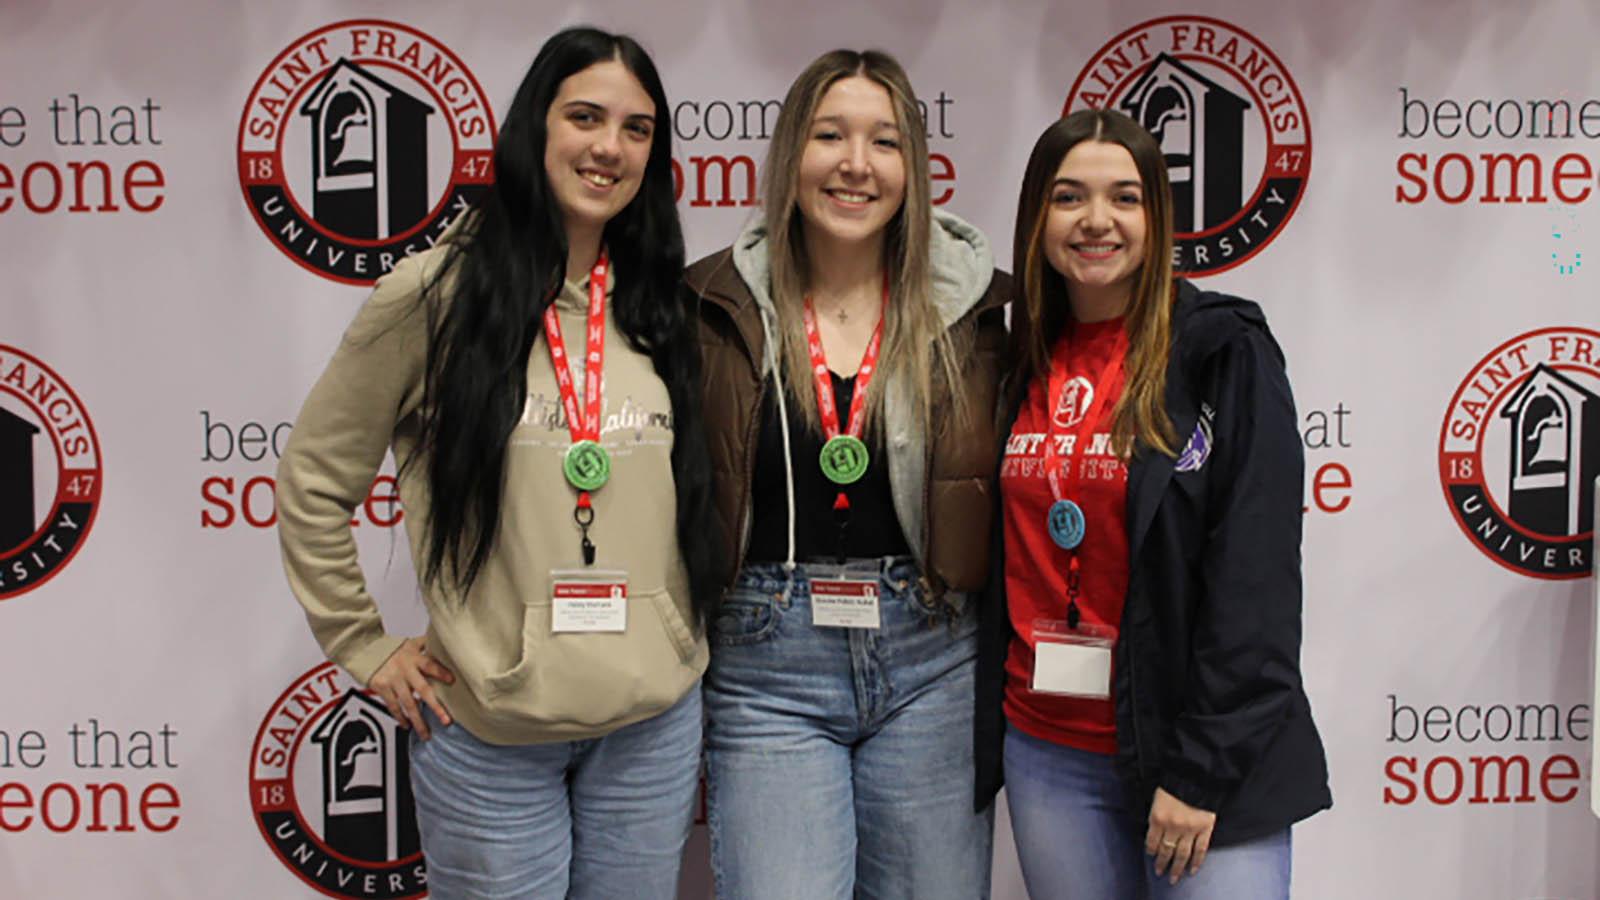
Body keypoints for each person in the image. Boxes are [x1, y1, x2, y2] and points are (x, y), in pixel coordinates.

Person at [275, 26, 717, 900]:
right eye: (585, 117)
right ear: (533, 130)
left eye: (637, 129)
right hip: (488, 731)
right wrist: (363, 644)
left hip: (651, 728)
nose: (609, 147)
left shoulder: (666, 307)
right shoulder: (432, 297)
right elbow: (315, 482)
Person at [975, 108, 1331, 899]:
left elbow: (1256, 580)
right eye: (1069, 197)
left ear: (1157, 217)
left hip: (1199, 755)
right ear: (1037, 215)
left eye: (1124, 198)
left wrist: (1201, 772)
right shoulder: (1011, 359)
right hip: (1049, 753)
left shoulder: (1221, 350)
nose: (1096, 221)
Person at [686, 48, 1008, 900]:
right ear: (791, 153)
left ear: (915, 168)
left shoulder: (973, 311)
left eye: (885, 141)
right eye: (830, 135)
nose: (856, 165)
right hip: (766, 668)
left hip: (933, 657)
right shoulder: (711, 307)